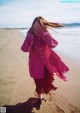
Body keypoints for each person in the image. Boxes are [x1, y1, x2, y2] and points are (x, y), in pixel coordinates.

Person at [21, 16, 69, 109]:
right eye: (36, 27)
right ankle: (39, 98)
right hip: (35, 65)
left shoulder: (45, 34)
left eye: (40, 27)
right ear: (33, 27)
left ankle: (41, 93)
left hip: (47, 64)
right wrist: (30, 38)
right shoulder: (29, 35)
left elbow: (53, 44)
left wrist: (44, 35)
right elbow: (24, 49)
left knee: (49, 80)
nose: (38, 29)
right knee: (38, 84)